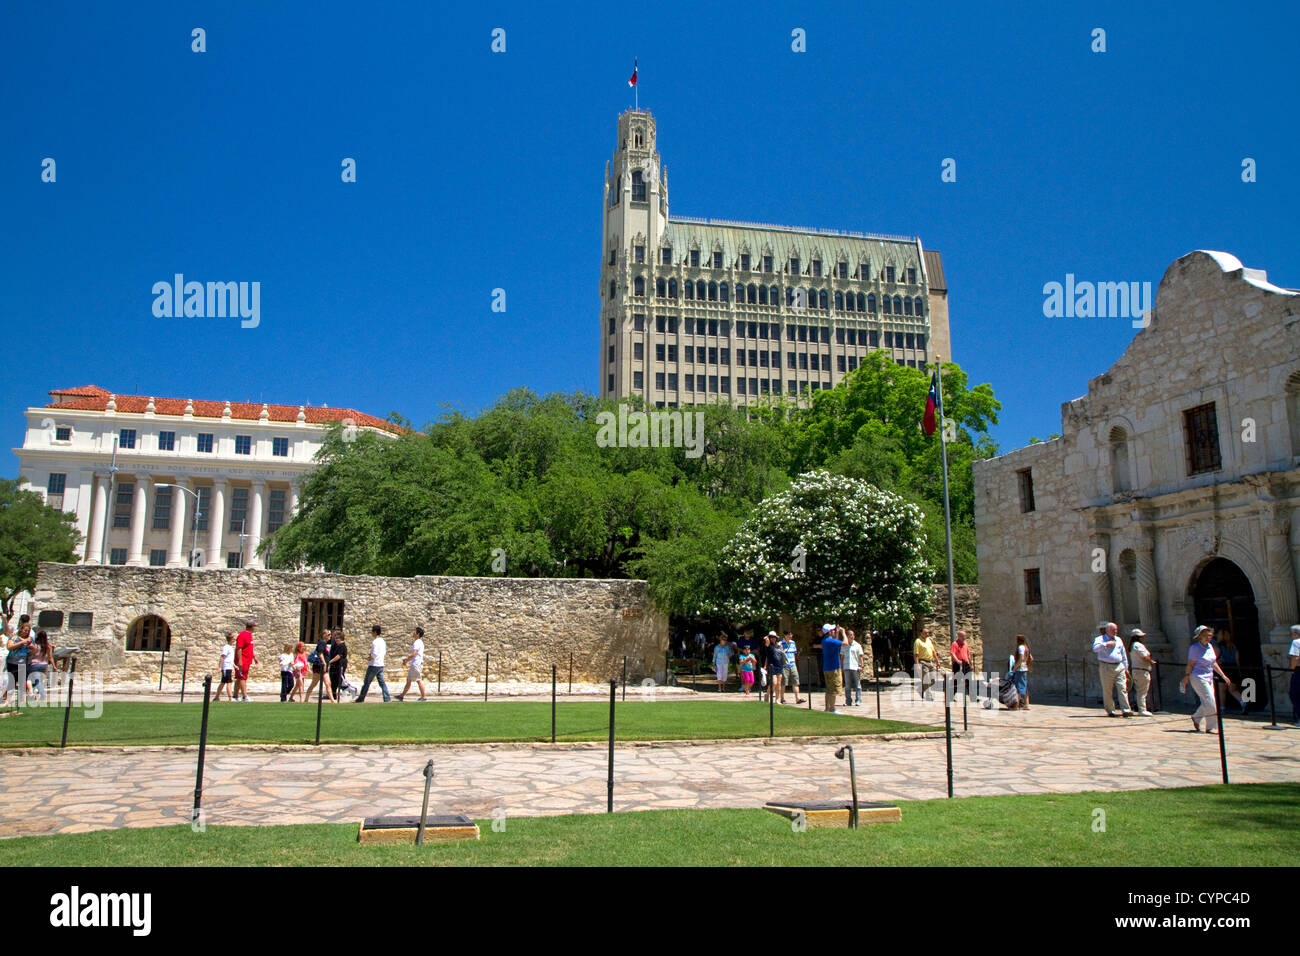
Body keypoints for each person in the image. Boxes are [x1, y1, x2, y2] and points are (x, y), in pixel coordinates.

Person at [1180, 624, 1235, 734]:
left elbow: (1213, 662)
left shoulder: (1210, 647)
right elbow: (1190, 664)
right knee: (1211, 701)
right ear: (1199, 636)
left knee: (1208, 700)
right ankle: (1210, 727)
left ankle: (1196, 717)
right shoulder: (1194, 648)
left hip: (1208, 677)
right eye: (1205, 635)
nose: (1207, 637)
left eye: (1209, 635)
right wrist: (1186, 676)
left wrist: (1223, 675)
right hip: (1197, 677)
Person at [1092, 621, 1132, 717]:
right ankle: (1110, 710)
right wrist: (1106, 644)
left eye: (1116, 630)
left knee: (1122, 688)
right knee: (1107, 689)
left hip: (1119, 666)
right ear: (1107, 630)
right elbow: (1095, 649)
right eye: (1113, 630)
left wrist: (1126, 667)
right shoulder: (1100, 639)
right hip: (1106, 666)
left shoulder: (1118, 639)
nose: (1115, 631)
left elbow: (1123, 653)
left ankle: (1126, 710)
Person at [1213, 629, 1247, 713]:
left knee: (1222, 690)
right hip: (1233, 668)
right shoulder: (1233, 646)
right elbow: (1237, 660)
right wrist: (1239, 671)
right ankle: (1243, 702)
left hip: (1224, 668)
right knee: (1233, 689)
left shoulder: (1218, 646)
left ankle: (1222, 708)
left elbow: (1215, 658)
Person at [355, 625, 390, 703]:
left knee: (367, 682)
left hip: (374, 664)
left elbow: (374, 654)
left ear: (375, 632)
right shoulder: (382, 641)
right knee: (382, 683)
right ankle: (387, 698)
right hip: (380, 664)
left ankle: (361, 698)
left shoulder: (375, 642)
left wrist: (369, 658)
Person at [5, 617, 34, 704]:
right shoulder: (14, 637)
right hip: (12, 662)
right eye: (25, 630)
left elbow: (34, 649)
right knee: (12, 682)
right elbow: (9, 647)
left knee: (22, 682)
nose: (26, 632)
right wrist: (21, 642)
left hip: (22, 663)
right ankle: (7, 700)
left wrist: (31, 646)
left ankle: (22, 702)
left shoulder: (29, 639)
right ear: (21, 629)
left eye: (27, 631)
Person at [1127, 628, 1155, 716]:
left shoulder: (1133, 645)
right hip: (1141, 671)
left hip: (1137, 670)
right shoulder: (1138, 645)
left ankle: (1140, 707)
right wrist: (1151, 661)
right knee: (1142, 691)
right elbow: (1144, 657)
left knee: (1139, 690)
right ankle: (1142, 709)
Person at [396, 626, 427, 701]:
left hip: (416, 664)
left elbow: (414, 654)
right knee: (409, 680)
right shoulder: (419, 642)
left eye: (414, 631)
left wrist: (406, 660)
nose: (413, 633)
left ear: (418, 634)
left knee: (418, 680)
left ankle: (423, 697)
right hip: (415, 664)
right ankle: (401, 696)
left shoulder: (417, 642)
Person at [303, 629, 335, 703]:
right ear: (324, 635)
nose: (330, 636)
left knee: (328, 683)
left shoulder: (325, 644)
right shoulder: (321, 643)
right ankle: (306, 699)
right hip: (319, 667)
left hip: (324, 667)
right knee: (314, 683)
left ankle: (332, 701)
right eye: (328, 634)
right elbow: (320, 654)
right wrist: (324, 663)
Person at [821, 624, 844, 714]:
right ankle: (832, 709)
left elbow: (836, 643)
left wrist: (837, 633)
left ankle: (827, 708)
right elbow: (845, 643)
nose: (834, 631)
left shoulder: (825, 641)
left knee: (828, 689)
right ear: (830, 632)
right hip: (834, 668)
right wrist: (843, 633)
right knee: (833, 689)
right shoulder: (830, 641)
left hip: (827, 668)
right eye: (833, 630)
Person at [234, 621, 258, 702]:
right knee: (242, 677)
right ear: (251, 627)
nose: (254, 628)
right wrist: (240, 660)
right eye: (254, 627)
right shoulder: (243, 635)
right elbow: (239, 648)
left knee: (239, 677)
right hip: (243, 659)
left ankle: (235, 696)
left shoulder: (249, 635)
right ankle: (244, 696)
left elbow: (249, 648)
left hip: (247, 659)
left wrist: (254, 657)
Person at [913, 627, 938, 700]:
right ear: (921, 633)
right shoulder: (917, 641)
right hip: (923, 662)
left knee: (933, 680)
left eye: (928, 633)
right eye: (925, 633)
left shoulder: (929, 640)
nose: (927, 634)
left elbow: (933, 651)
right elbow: (916, 654)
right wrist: (917, 665)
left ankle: (920, 689)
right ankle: (929, 696)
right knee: (926, 679)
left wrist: (937, 661)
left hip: (930, 662)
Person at [28, 630, 53, 701]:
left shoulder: (35, 645)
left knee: (34, 681)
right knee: (38, 681)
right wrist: (54, 666)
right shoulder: (47, 646)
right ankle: (34, 695)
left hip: (34, 665)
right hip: (43, 665)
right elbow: (50, 657)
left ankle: (43, 695)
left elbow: (31, 654)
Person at [779, 632, 803, 705]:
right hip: (784, 665)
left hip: (792, 664)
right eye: (789, 634)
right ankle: (782, 698)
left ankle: (797, 698)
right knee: (784, 682)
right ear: (785, 635)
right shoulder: (780, 643)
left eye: (791, 634)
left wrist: (794, 663)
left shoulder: (793, 643)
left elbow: (794, 653)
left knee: (796, 681)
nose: (791, 636)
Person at [950, 630, 974, 699]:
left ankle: (972, 696)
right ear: (959, 636)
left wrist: (971, 664)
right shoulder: (955, 644)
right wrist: (957, 661)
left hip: (966, 664)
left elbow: (968, 654)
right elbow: (952, 653)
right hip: (957, 664)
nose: (964, 638)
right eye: (963, 636)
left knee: (969, 680)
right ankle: (952, 696)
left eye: (965, 636)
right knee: (956, 680)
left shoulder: (966, 644)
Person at [843, 630, 863, 707]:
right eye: (850, 635)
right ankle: (848, 701)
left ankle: (858, 700)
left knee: (857, 685)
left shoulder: (857, 645)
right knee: (847, 685)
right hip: (846, 667)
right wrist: (841, 667)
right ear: (847, 636)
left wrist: (861, 666)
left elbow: (860, 657)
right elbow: (842, 657)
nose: (852, 636)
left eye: (853, 635)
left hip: (855, 667)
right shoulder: (844, 645)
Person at [1013, 635, 1033, 710]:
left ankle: (1017, 705)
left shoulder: (1021, 647)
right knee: (1024, 687)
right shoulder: (1026, 648)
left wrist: (1015, 667)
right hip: (1025, 668)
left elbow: (1021, 658)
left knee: (1018, 687)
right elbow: (1031, 658)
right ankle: (1026, 704)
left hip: (1020, 669)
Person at [328, 630, 349, 699]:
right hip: (336, 664)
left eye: (337, 638)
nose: (336, 639)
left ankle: (347, 690)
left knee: (339, 678)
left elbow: (339, 656)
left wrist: (330, 661)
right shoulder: (338, 645)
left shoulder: (341, 646)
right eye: (336, 638)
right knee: (334, 679)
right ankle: (333, 694)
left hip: (340, 664)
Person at [216, 633, 236, 702]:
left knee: (223, 682)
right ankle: (230, 698)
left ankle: (216, 697)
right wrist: (219, 667)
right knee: (228, 682)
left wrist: (234, 665)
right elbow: (222, 657)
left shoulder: (230, 647)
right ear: (230, 639)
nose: (234, 640)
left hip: (229, 667)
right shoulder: (226, 647)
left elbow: (229, 659)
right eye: (233, 638)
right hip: (226, 668)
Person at [1288, 624, 1300, 727]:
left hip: (1299, 671)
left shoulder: (1296, 642)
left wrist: (1292, 670)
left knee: (1295, 694)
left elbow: (1295, 658)